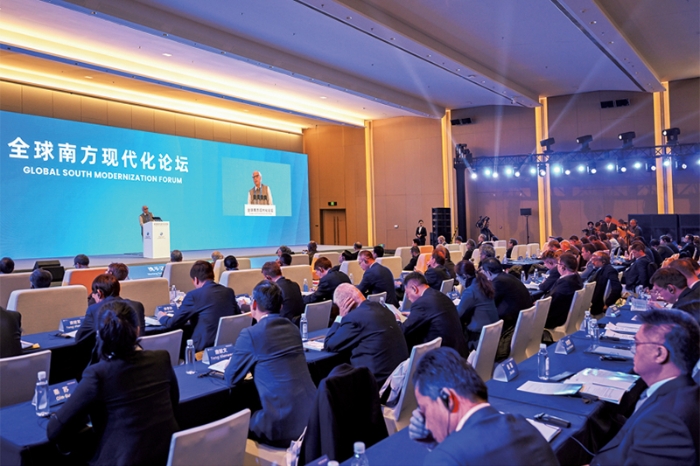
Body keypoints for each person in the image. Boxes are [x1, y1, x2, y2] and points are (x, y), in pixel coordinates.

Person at [47, 301, 179, 466]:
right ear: (138, 330)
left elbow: (53, 431)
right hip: (166, 455)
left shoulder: (98, 374)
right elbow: (174, 403)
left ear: (99, 334)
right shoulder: (161, 358)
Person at [408, 347, 559, 465]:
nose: (426, 424)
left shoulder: (445, 458)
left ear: (447, 398)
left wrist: (440, 451)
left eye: (424, 409)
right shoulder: (524, 427)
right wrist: (439, 445)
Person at [590, 309, 700, 466]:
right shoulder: (679, 392)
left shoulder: (666, 421)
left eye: (637, 344)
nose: (633, 350)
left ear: (660, 353)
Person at [224, 281, 316, 447]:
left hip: (281, 424)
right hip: (312, 415)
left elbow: (231, 378)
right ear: (281, 306)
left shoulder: (251, 334)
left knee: (233, 422)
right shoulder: (293, 328)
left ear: (253, 305)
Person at [324, 284, 408, 386]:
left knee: (332, 383)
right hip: (398, 378)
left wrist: (340, 317)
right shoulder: (384, 309)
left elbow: (330, 344)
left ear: (346, 303)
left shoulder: (354, 318)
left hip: (375, 383)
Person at [157, 261, 239, 351]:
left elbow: (172, 323)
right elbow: (238, 316)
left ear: (195, 280)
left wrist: (162, 317)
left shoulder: (193, 295)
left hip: (202, 349)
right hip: (228, 346)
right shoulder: (229, 292)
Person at [76, 274, 146, 360]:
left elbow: (80, 339)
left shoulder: (94, 309)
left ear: (99, 293)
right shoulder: (137, 305)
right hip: (138, 358)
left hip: (110, 360)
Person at [402, 272, 468, 357]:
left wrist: (396, 320)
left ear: (414, 289)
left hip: (443, 356)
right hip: (458, 352)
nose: (408, 298)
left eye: (407, 293)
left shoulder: (422, 303)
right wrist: (413, 315)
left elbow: (404, 330)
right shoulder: (440, 295)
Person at [455, 261, 498, 350]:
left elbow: (457, 315)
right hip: (492, 335)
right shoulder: (483, 285)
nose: (456, 279)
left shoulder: (470, 291)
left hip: (477, 339)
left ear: (465, 276)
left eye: (457, 276)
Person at [480, 258, 531, 333]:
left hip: (512, 325)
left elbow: (489, 303)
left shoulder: (498, 281)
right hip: (525, 320)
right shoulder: (508, 277)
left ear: (488, 273)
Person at [544, 253, 583, 329]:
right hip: (566, 314)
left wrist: (539, 304)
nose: (557, 266)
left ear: (563, 267)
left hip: (556, 319)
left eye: (558, 264)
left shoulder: (565, 284)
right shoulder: (576, 278)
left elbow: (550, 302)